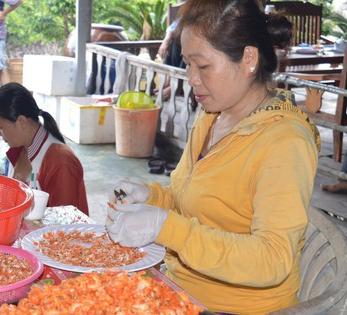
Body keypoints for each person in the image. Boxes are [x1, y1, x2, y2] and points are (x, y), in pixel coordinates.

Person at [106, 1, 321, 314]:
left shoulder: (284, 142)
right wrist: (150, 197)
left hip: (235, 307)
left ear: (248, 59)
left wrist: (167, 227)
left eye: (203, 66)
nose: (192, 78)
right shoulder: (211, 117)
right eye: (188, 65)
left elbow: (272, 260)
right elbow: (193, 203)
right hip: (179, 291)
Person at [0, 82, 90, 216]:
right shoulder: (14, 153)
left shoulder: (61, 162)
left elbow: (64, 225)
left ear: (21, 122)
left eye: (0, 127)